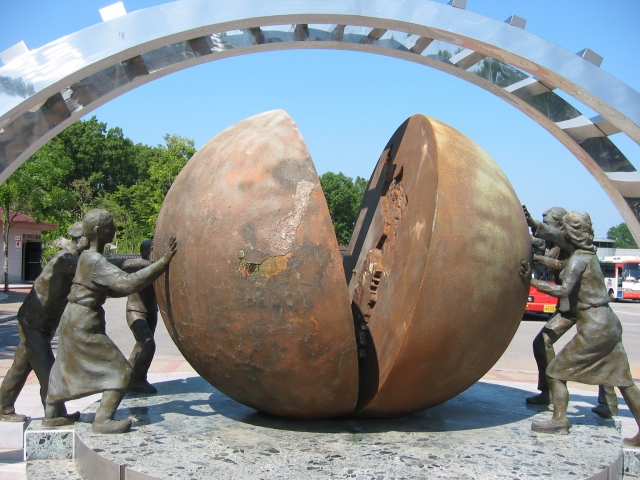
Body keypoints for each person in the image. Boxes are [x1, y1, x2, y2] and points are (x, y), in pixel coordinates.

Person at [44, 209, 177, 434]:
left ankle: (52, 414)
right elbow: (127, 284)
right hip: (83, 322)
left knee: (65, 365)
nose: (114, 230)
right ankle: (103, 420)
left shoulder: (87, 257)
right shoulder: (94, 260)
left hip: (74, 318)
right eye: (110, 226)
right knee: (121, 371)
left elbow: (107, 289)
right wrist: (163, 262)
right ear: (98, 231)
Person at [521, 211, 640, 446]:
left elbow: (564, 290)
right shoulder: (589, 255)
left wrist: (531, 280)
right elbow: (565, 266)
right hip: (609, 323)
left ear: (569, 233)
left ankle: (559, 420)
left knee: (555, 371)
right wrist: (543, 260)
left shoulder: (577, 259)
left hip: (594, 327)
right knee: (625, 381)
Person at [523, 206, 618, 418]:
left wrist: (532, 222)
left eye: (546, 219)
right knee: (544, 342)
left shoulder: (569, 242)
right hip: (570, 308)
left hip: (582, 308)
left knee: (600, 351)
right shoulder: (558, 245)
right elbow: (548, 250)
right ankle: (548, 391)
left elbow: (553, 239)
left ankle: (606, 401)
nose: (544, 220)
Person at [0, 222, 87, 422]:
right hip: (34, 323)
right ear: (81, 239)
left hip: (38, 322)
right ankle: (54, 414)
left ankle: (3, 407)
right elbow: (98, 271)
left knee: (20, 368)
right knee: (47, 368)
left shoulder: (71, 259)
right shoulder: (66, 260)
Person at [126, 239, 159, 394]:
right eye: (151, 248)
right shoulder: (140, 264)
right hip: (136, 311)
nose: (154, 251)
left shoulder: (156, 265)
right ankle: (128, 378)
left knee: (144, 347)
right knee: (146, 343)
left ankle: (138, 379)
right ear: (144, 251)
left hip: (152, 311)